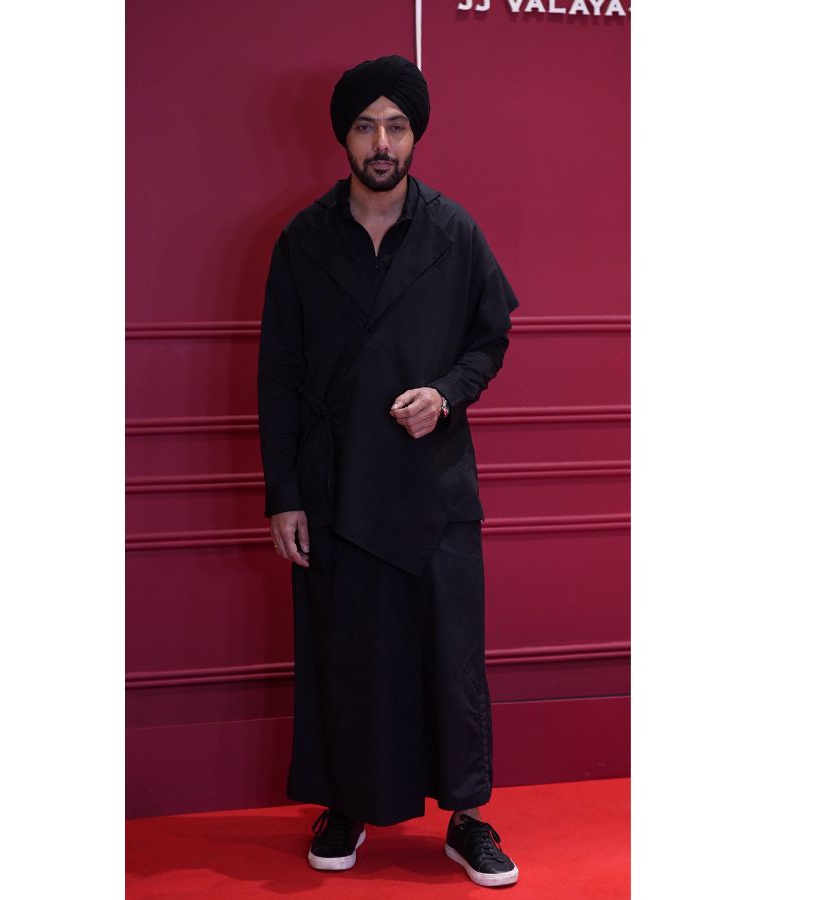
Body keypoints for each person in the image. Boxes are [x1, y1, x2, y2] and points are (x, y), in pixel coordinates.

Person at [256, 54, 520, 889]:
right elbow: (277, 374)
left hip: (435, 485)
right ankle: (346, 802)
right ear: (344, 135)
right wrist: (284, 496)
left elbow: (490, 340)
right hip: (333, 486)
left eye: (396, 126)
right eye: (367, 125)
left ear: (415, 136)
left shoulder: (455, 232)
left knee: (452, 658)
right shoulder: (302, 240)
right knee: (345, 656)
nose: (382, 142)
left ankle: (467, 818)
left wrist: (446, 394)